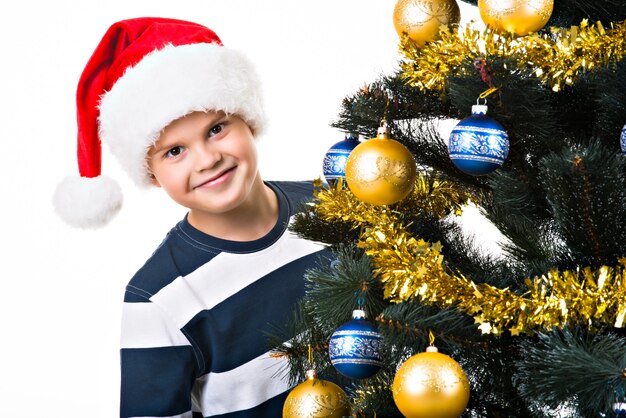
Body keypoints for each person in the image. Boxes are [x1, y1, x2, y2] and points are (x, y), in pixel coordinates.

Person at [53, 17, 330, 417]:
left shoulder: (331, 206)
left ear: (247, 119)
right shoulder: (158, 298)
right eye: (174, 151)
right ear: (151, 172)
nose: (207, 159)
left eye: (217, 128)